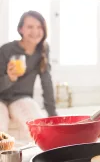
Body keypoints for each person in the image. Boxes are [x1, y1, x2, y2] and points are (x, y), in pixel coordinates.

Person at [0, 10, 57, 140]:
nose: (35, 31)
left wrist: (53, 115)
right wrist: (9, 78)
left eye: (39, 27)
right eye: (30, 27)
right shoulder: (6, 50)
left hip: (21, 98)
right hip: (0, 98)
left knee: (38, 127)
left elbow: (46, 82)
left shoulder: (43, 50)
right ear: (21, 29)